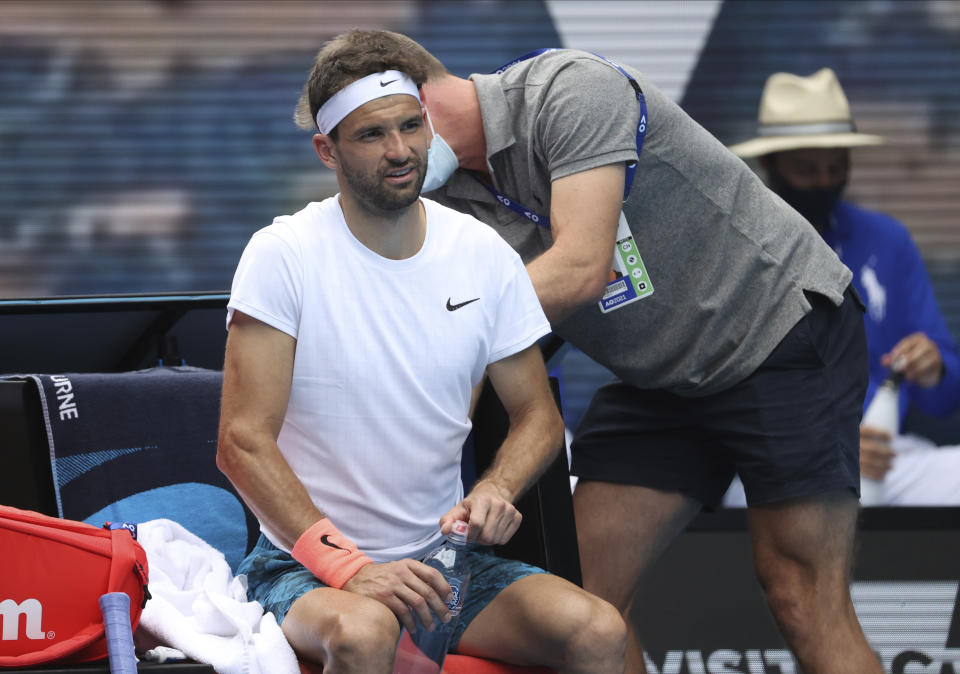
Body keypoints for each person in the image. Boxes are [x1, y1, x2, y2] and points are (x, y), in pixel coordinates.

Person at [302, 29, 884, 674]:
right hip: (661, 378)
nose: (392, 151)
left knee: (802, 597)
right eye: (364, 136)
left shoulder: (570, 90)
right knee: (585, 601)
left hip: (777, 332)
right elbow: (470, 355)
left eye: (396, 126)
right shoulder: (435, 198)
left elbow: (580, 269)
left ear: (418, 96)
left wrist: (425, 327)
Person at [216, 38, 627, 674]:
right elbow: (241, 442)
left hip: (444, 565)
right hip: (303, 569)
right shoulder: (282, 254)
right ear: (327, 150)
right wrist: (349, 568)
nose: (401, 150)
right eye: (371, 134)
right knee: (364, 635)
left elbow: (537, 417)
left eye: (412, 125)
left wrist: (497, 485)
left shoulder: (483, 251)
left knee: (597, 630)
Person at [727, 67, 960, 506]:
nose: (824, 182)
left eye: (836, 167)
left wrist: (935, 370)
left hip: (884, 458)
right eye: (806, 169)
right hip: (772, 463)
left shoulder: (887, 240)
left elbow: (946, 399)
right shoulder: (733, 247)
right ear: (768, 166)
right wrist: (818, 445)